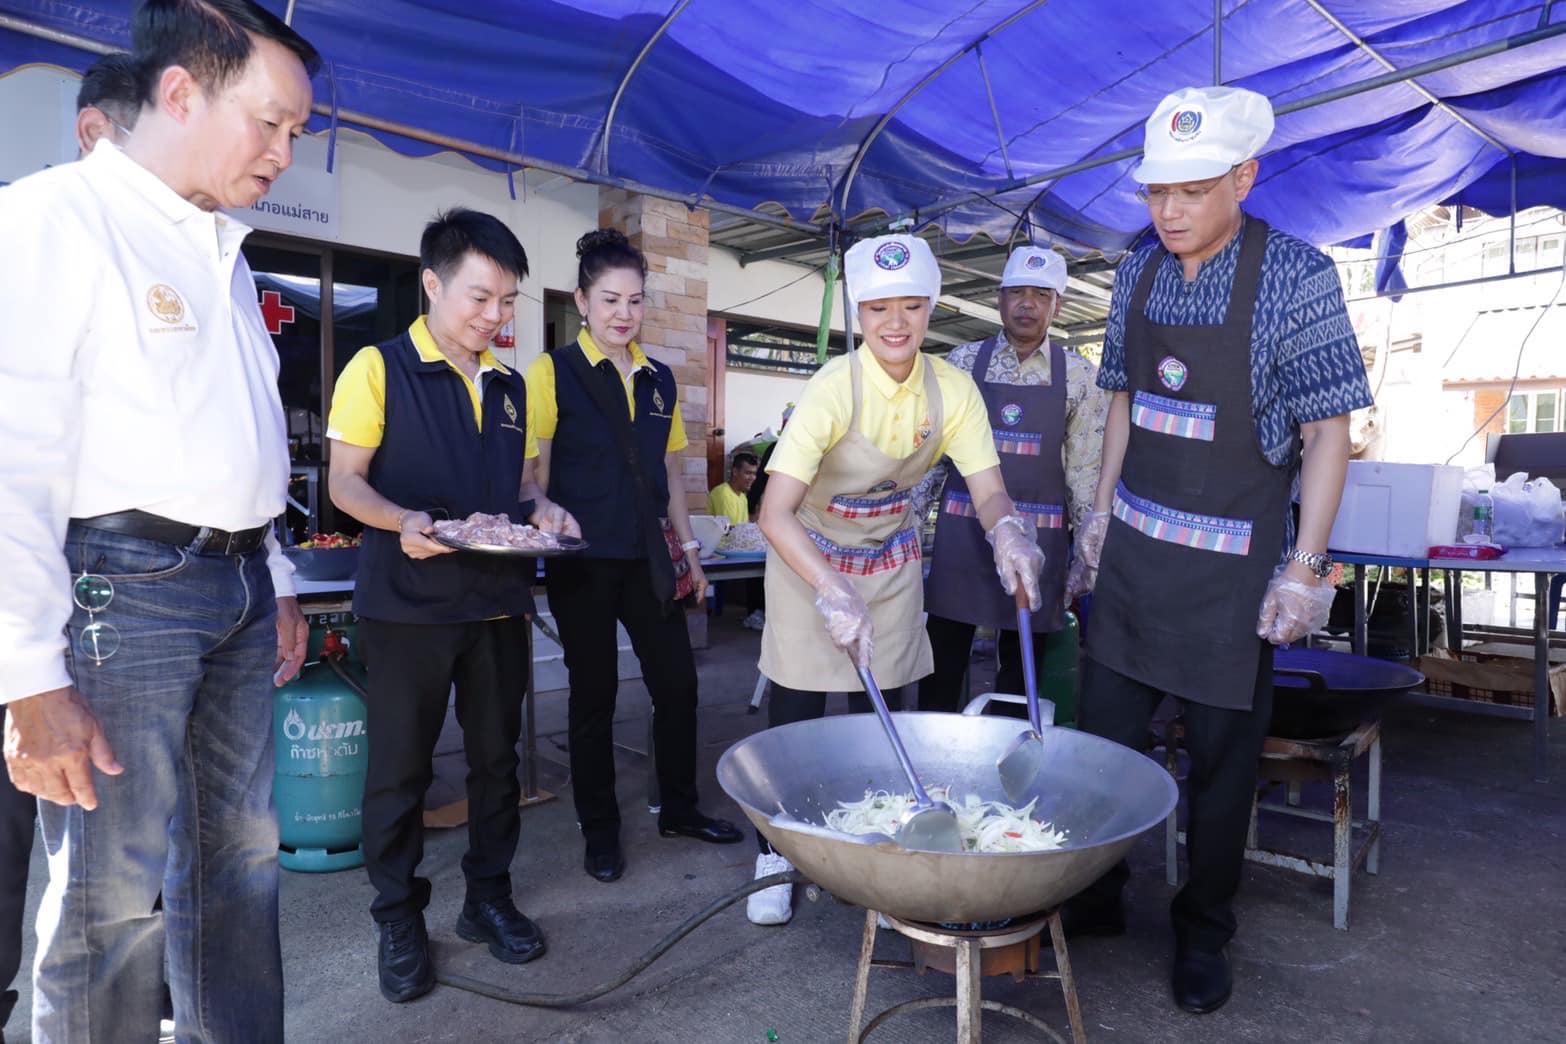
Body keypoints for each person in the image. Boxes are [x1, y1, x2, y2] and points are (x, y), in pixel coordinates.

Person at [0, 2, 319, 1041]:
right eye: (269, 123)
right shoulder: (58, 218)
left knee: (240, 866)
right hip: (120, 591)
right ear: (181, 89)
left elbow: (243, 443)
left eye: (295, 134)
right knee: (107, 899)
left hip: (230, 586)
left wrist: (271, 580)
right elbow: (14, 452)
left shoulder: (220, 252)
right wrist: (26, 677)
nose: (284, 152)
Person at [1064, 86, 1372, 1014]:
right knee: (1103, 750)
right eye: (1157, 192)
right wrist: (1100, 512)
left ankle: (1204, 930)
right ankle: (1096, 895)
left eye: (1191, 192)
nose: (1168, 212)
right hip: (1135, 564)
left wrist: (1305, 568)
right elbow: (1119, 393)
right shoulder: (1135, 271)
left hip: (1237, 574)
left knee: (1221, 774)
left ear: (1244, 176)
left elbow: (1328, 433)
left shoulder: (1299, 276)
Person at [747, 234, 1046, 926]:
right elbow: (773, 511)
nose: (895, 323)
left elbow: (990, 490)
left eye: (912, 306)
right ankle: (772, 852)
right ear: (859, 312)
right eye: (879, 307)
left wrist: (1008, 533)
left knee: (878, 715)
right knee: (795, 708)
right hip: (809, 558)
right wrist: (828, 586)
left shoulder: (953, 390)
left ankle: (876, 854)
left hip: (888, 558)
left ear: (931, 308)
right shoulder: (833, 388)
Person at [327, 208, 574, 1002]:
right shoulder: (378, 367)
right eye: (480, 298)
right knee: (399, 774)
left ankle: (488, 899)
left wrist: (545, 511)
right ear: (432, 284)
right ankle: (399, 917)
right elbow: (344, 483)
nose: (496, 317)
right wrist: (403, 522)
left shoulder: (510, 385)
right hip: (406, 606)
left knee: (498, 763)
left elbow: (522, 487)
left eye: (507, 301)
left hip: (498, 602)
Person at [0, 49, 148, 1044]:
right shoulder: (34, 238)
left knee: (102, 856)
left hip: (101, 622)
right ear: (97, 134)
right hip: (29, 624)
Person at [526, 228, 742, 886]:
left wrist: (692, 557)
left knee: (677, 684)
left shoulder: (659, 381)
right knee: (592, 696)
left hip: (650, 555)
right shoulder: (552, 372)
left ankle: (678, 807)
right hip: (584, 560)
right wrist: (539, 511)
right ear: (582, 300)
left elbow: (673, 479)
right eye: (611, 299)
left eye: (636, 301)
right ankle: (600, 831)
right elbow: (531, 472)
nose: (624, 313)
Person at [919, 245, 1108, 714]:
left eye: (1041, 295)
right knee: (942, 657)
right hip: (962, 535)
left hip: (1040, 542)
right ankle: (933, 757)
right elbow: (930, 457)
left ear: (1057, 305)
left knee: (1020, 667)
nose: (1028, 304)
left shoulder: (1082, 376)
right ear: (999, 299)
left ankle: (1005, 766)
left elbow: (1085, 471)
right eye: (1017, 293)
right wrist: (901, 524)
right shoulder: (961, 363)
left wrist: (1089, 554)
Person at [707, 451, 765, 628]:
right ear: (734, 471)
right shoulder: (723, 493)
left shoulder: (742, 497)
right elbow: (730, 530)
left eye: (754, 473)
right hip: (721, 549)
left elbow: (743, 527)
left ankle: (757, 613)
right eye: (748, 473)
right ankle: (755, 614)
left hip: (737, 549)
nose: (752, 478)